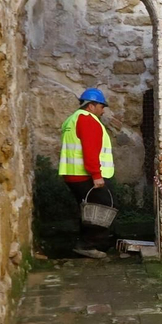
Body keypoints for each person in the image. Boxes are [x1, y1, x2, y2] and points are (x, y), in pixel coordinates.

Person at [59, 87, 117, 259]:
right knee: (102, 209)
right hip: (86, 176)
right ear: (91, 106)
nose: (103, 110)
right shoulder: (87, 120)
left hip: (73, 175)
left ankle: (93, 243)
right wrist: (96, 175)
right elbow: (90, 151)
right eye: (101, 106)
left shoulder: (71, 120)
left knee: (88, 210)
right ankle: (89, 245)